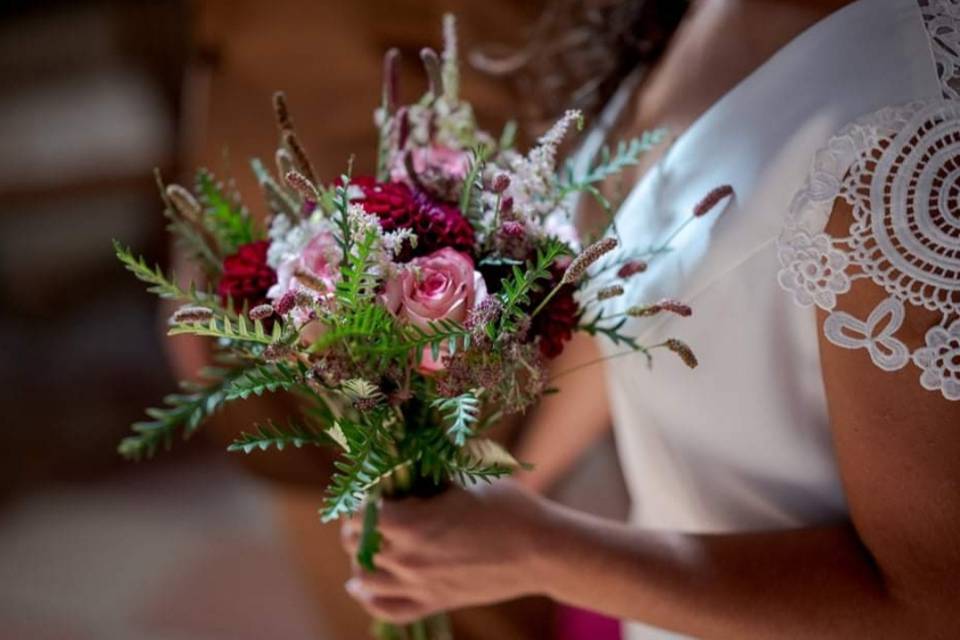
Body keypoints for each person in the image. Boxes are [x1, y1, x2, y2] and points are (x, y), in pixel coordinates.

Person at [341, 0, 960, 637]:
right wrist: (488, 480)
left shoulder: (906, 138)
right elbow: (635, 309)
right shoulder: (709, 13)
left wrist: (538, 551)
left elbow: (933, 608)